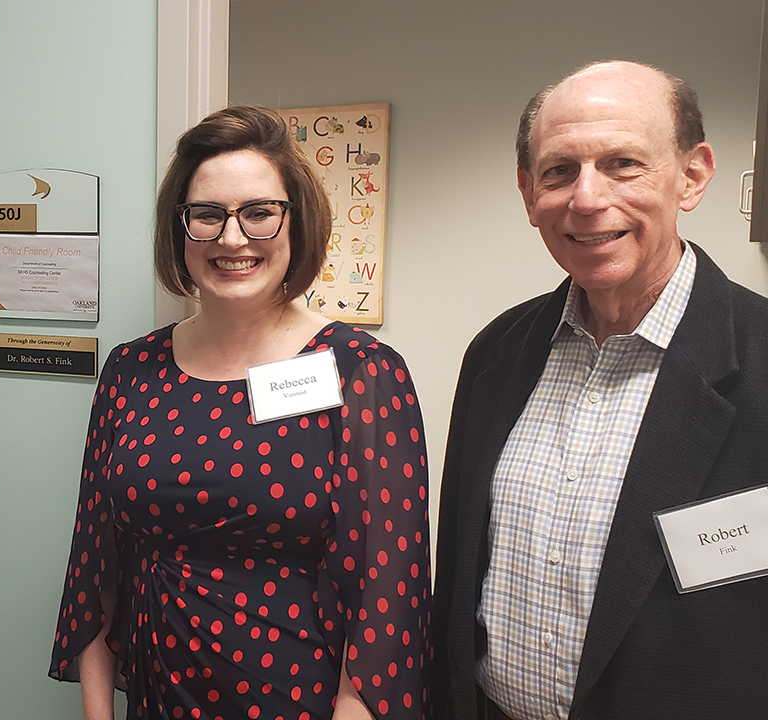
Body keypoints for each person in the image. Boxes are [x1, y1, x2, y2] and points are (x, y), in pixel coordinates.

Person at [50, 106, 431, 720]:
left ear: (295, 223)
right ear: (180, 229)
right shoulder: (130, 370)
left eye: (258, 212)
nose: (232, 239)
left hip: (294, 699)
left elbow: (388, 598)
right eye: (206, 215)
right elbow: (96, 566)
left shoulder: (359, 371)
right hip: (157, 695)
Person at [431, 60, 768, 720]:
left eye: (622, 164)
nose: (587, 198)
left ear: (692, 175)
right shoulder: (496, 353)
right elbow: (458, 576)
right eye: (559, 170)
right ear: (530, 193)